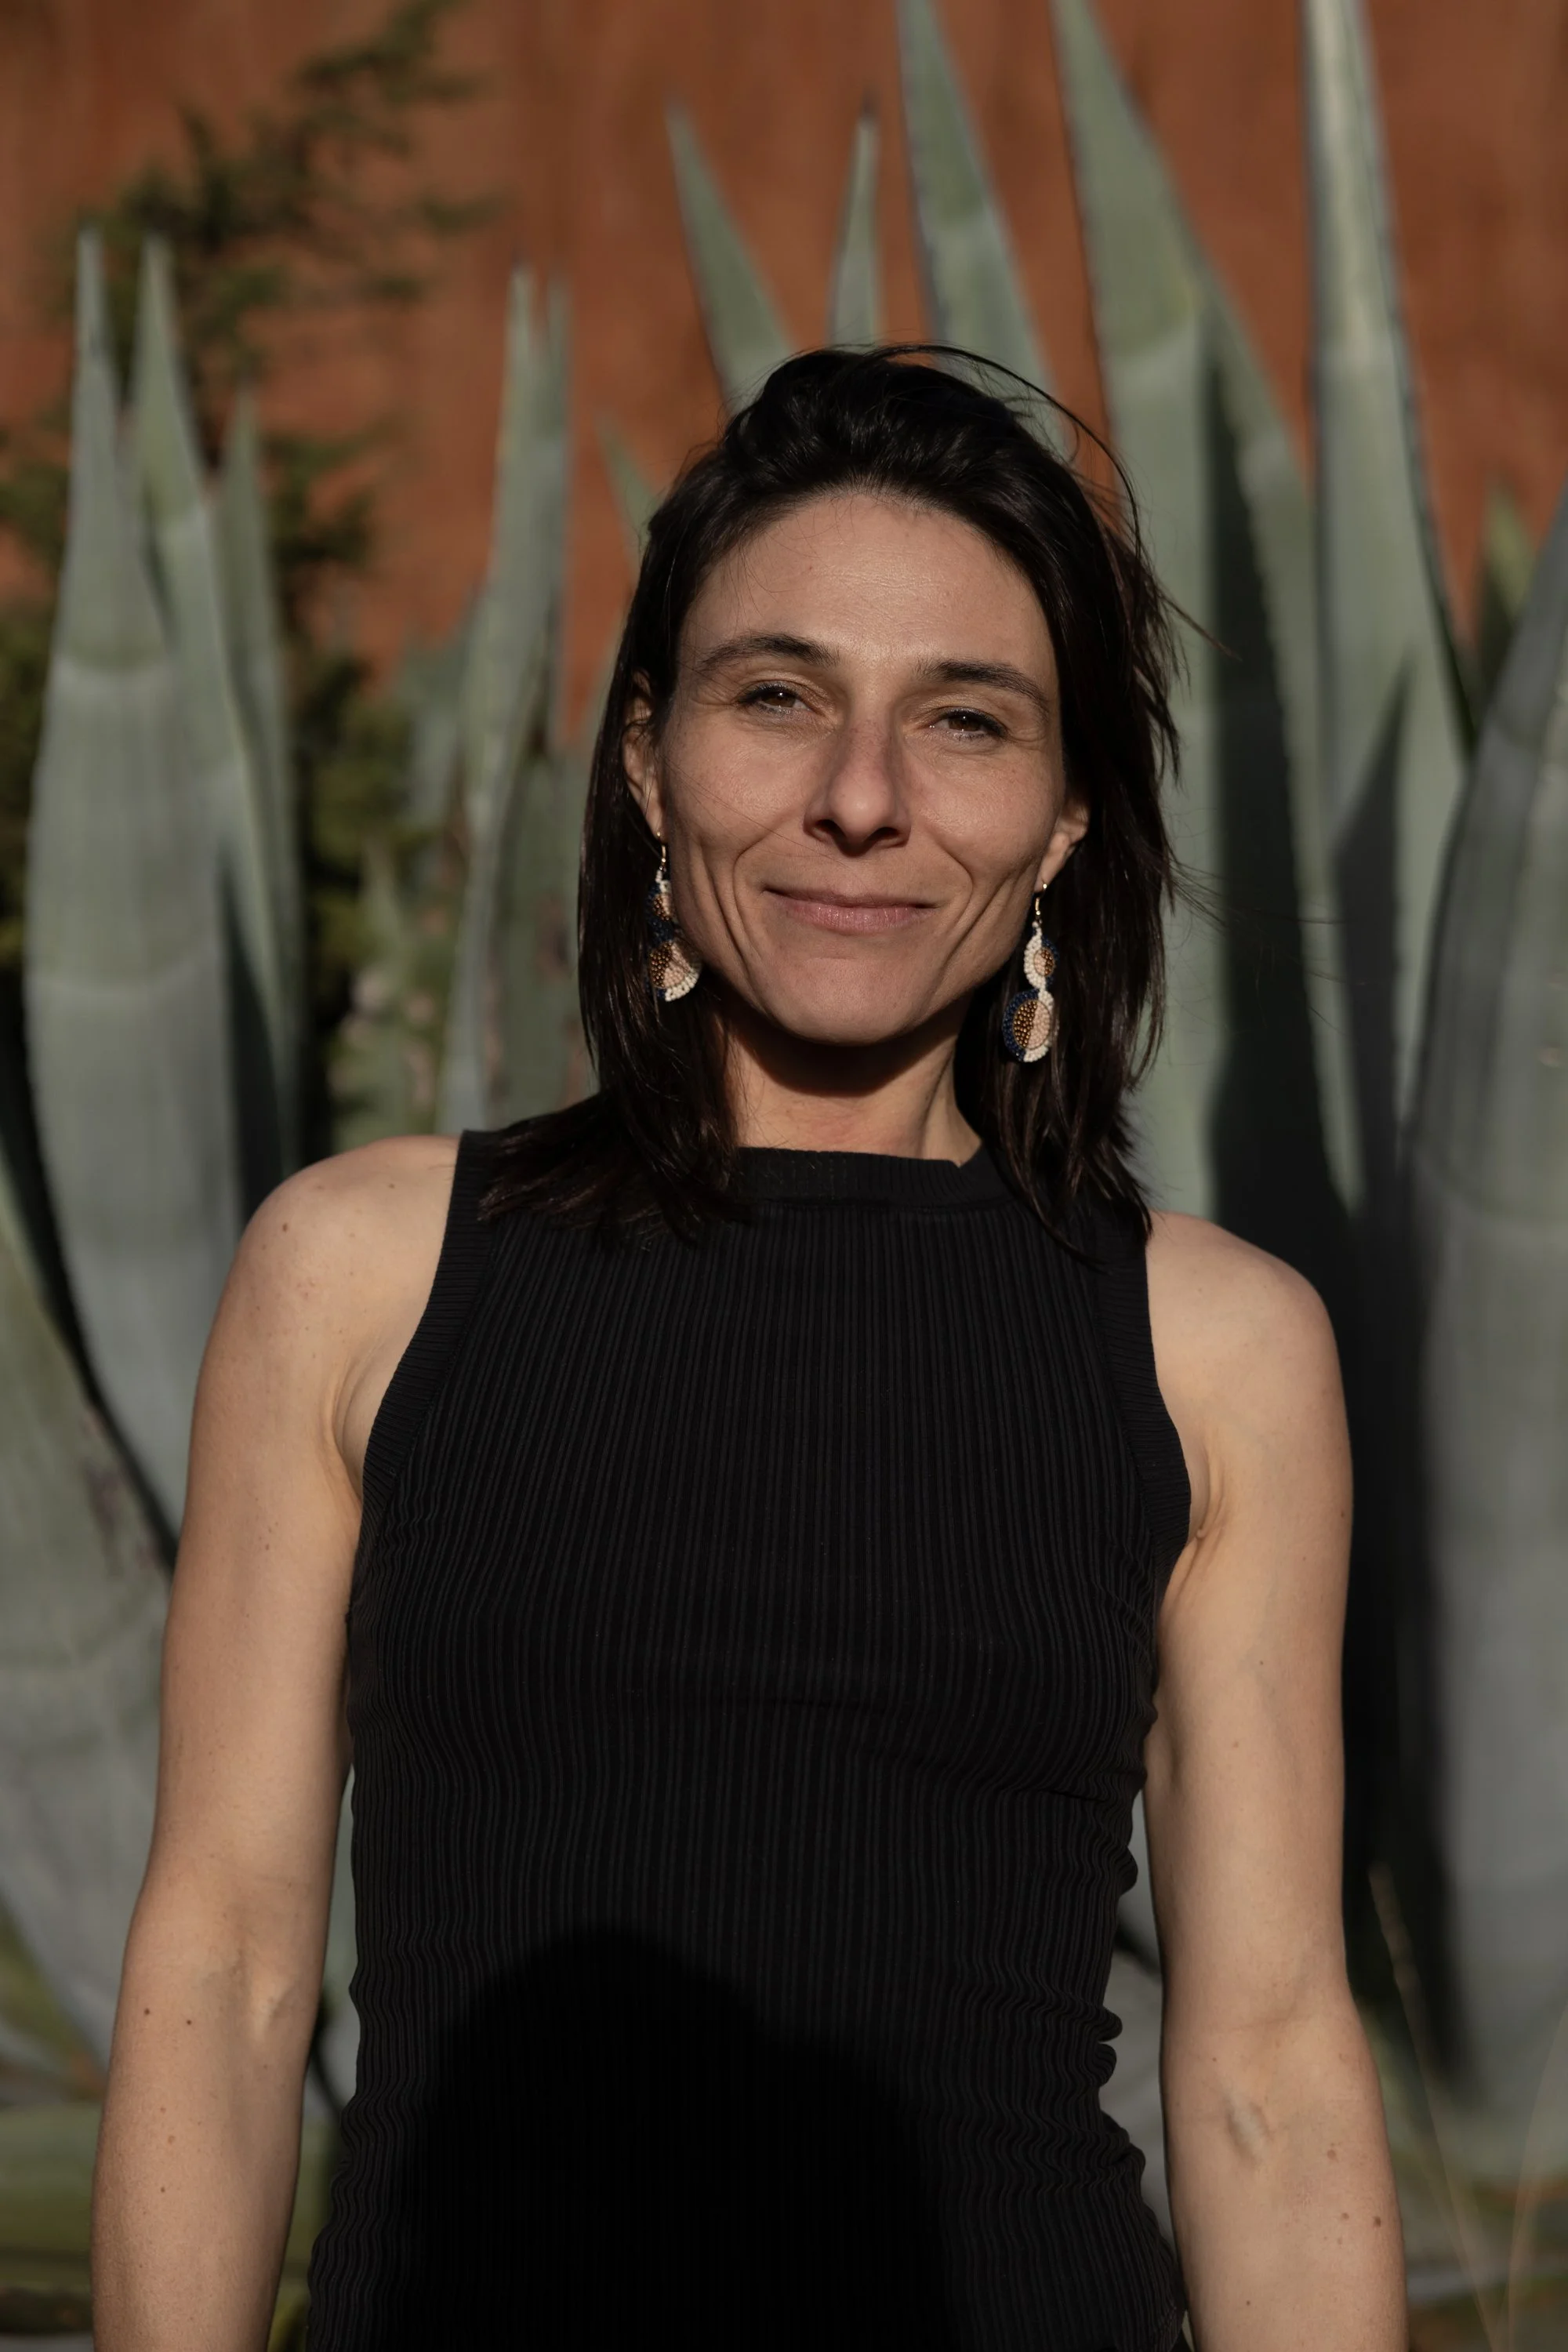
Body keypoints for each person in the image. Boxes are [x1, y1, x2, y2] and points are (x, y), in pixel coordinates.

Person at [92, 348, 1406, 2352]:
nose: (859, 800)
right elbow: (230, 1959)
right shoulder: (360, 1275)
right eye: (775, 696)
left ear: (1062, 823)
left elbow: (1267, 2065)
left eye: (963, 723)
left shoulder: (1215, 1349)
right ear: (645, 759)